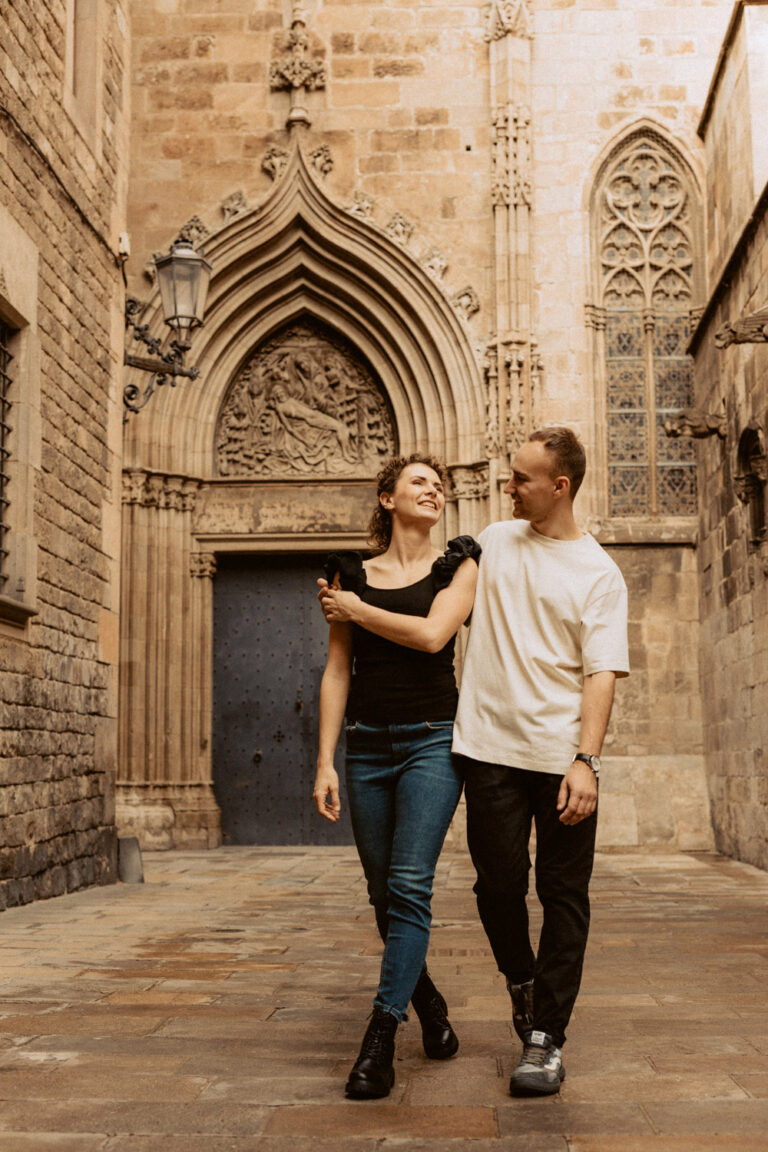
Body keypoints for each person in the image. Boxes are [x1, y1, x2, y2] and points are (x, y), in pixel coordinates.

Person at [452, 426, 629, 1097]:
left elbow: (601, 674)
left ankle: (546, 1037)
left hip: (561, 761)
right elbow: (434, 601)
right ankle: (522, 982)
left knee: (563, 897)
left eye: (522, 478)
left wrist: (587, 760)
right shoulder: (494, 543)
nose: (509, 486)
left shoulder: (598, 573)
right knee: (497, 886)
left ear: (560, 486)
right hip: (489, 751)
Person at [313, 453, 480, 1100]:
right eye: (419, 481)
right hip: (366, 745)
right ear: (387, 498)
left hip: (434, 740)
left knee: (410, 885)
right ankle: (429, 1005)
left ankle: (381, 1035)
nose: (434, 489)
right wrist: (325, 760)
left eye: (440, 484)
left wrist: (355, 610)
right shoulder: (349, 574)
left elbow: (435, 635)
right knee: (384, 896)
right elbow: (337, 670)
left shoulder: (458, 564)